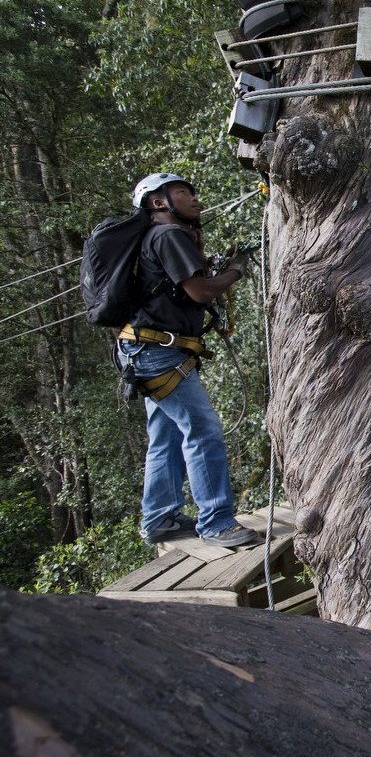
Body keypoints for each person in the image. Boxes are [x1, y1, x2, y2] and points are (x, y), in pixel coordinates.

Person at [116, 173, 259, 548]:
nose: (194, 198)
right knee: (202, 429)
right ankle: (216, 523)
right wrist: (236, 270)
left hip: (147, 349)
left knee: (165, 436)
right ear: (159, 203)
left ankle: (159, 518)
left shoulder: (165, 237)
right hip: (159, 351)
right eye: (182, 192)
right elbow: (199, 292)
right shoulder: (168, 235)